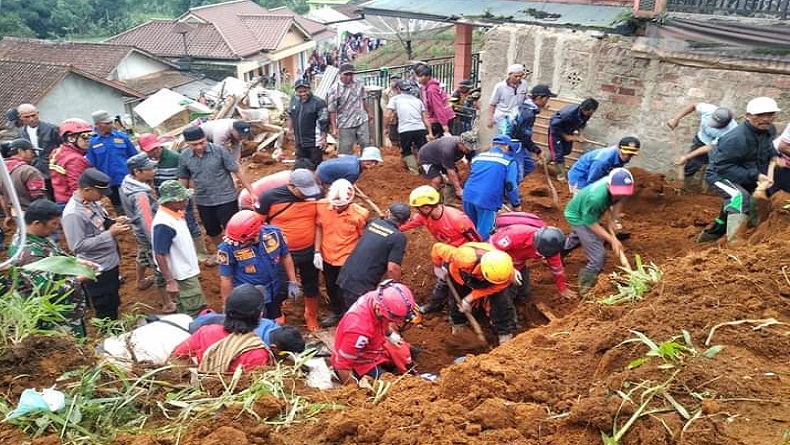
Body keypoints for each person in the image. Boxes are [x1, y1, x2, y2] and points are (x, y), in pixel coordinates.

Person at [698, 97, 779, 245]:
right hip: (719, 174)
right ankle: (735, 242)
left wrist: (774, 156)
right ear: (748, 116)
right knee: (739, 197)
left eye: (770, 115)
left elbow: (768, 147)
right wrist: (756, 175)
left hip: (744, 172)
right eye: (759, 115)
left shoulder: (768, 130)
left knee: (735, 205)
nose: (765, 119)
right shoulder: (736, 138)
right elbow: (723, 167)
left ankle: (710, 235)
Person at [7, 199, 92, 337]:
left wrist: (76, 262)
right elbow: (46, 290)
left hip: (69, 313)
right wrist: (79, 279)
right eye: (54, 223)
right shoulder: (28, 254)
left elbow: (55, 256)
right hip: (56, 321)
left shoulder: (37, 237)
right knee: (71, 353)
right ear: (37, 223)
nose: (57, 227)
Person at [255, 169, 322, 331]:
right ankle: (276, 314)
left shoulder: (317, 195)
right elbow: (257, 224)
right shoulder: (269, 198)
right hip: (281, 253)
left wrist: (318, 251)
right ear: (291, 186)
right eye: (303, 191)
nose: (307, 194)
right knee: (279, 286)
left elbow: (320, 221)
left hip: (309, 250)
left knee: (311, 284)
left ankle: (310, 315)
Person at [62, 169, 131, 321]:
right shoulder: (73, 214)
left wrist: (114, 222)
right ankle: (108, 334)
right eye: (100, 192)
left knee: (112, 298)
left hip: (109, 262)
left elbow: (99, 222)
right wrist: (110, 234)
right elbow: (77, 246)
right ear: (87, 189)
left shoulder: (92, 202)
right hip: (96, 268)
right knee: (104, 306)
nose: (103, 196)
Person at [401, 186, 480, 314]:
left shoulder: (458, 220)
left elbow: (477, 242)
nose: (417, 212)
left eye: (419, 209)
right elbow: (405, 225)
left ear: (427, 207)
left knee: (460, 286)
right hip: (446, 254)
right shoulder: (424, 216)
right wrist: (389, 226)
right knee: (443, 280)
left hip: (465, 257)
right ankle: (435, 304)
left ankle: (463, 314)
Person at [139, 133, 210, 266]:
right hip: (164, 200)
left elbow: (188, 176)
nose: (154, 153)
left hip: (179, 198)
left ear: (159, 145)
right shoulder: (146, 163)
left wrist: (186, 196)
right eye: (149, 151)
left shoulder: (175, 158)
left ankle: (201, 253)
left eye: (155, 149)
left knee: (190, 222)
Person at [217, 210, 301, 322]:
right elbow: (226, 278)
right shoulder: (227, 247)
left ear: (256, 233)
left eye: (243, 242)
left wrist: (293, 282)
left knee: (276, 319)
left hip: (273, 290)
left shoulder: (274, 234)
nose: (240, 244)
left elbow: (285, 256)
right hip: (250, 298)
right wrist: (226, 307)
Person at [178, 125, 254, 246]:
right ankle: (222, 253)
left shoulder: (219, 151)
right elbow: (183, 178)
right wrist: (181, 199)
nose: (199, 147)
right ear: (187, 143)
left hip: (226, 198)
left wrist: (251, 191)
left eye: (201, 142)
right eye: (194, 144)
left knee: (233, 228)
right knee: (212, 231)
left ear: (205, 139)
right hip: (203, 201)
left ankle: (239, 253)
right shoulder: (184, 156)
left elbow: (236, 170)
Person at [563, 168, 634, 295]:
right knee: (598, 256)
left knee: (577, 238)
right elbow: (591, 224)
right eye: (616, 193)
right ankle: (585, 287)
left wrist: (613, 219)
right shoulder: (596, 198)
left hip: (587, 211)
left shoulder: (619, 187)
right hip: (578, 217)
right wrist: (612, 239)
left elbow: (620, 199)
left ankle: (556, 254)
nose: (619, 195)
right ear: (608, 186)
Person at [431, 242, 517, 345]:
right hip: (460, 275)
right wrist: (438, 266)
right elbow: (437, 248)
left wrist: (470, 298)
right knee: (456, 300)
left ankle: (504, 332)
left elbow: (495, 288)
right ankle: (458, 323)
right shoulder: (464, 258)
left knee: (501, 302)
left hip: (485, 276)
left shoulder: (504, 273)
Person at [332, 280, 418, 384]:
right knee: (390, 384)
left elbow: (384, 320)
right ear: (379, 310)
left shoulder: (377, 298)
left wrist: (390, 335)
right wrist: (354, 392)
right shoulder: (357, 331)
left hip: (375, 344)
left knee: (408, 352)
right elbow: (342, 366)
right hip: (362, 362)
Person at [171, 284, 270, 373]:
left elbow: (178, 356)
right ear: (260, 315)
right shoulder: (256, 353)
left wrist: (197, 373)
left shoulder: (205, 332)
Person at [314, 179, 370, 327]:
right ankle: (337, 312)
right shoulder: (322, 206)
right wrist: (317, 251)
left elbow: (361, 237)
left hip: (347, 258)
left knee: (346, 289)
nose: (337, 208)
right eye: (335, 204)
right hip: (327, 256)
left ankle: (350, 314)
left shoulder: (360, 214)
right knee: (331, 286)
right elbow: (319, 227)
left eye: (341, 205)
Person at [490, 212, 576, 305]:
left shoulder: (552, 247)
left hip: (519, 262)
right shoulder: (516, 234)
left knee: (524, 291)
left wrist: (562, 288)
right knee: (507, 293)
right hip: (499, 260)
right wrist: (510, 269)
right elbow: (491, 249)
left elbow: (557, 269)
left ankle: (522, 304)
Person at [336, 203, 410, 311]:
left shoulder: (373, 223)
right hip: (361, 286)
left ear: (388, 213)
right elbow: (393, 268)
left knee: (348, 313)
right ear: (406, 221)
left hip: (344, 277)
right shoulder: (398, 237)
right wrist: (395, 290)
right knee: (360, 318)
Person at [152, 180, 207, 316]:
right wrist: (170, 281)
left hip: (185, 270)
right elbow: (160, 254)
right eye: (182, 199)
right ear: (170, 202)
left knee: (187, 307)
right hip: (182, 275)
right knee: (195, 307)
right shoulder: (164, 223)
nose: (186, 201)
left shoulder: (175, 213)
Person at [119, 153, 163, 301]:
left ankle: (140, 281)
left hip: (137, 230)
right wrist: (157, 243)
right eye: (149, 169)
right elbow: (147, 221)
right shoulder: (140, 195)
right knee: (158, 265)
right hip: (147, 234)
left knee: (142, 255)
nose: (153, 171)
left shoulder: (126, 184)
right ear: (137, 172)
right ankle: (167, 302)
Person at [666, 102, 738, 191]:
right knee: (692, 164)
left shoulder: (731, 132)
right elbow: (692, 105)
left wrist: (686, 157)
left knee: (714, 169)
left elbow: (710, 147)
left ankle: (710, 190)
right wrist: (676, 119)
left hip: (717, 148)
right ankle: (683, 187)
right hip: (701, 140)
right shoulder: (709, 110)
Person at [462, 134, 521, 240]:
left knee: (471, 228)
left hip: (468, 195)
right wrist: (516, 204)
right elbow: (510, 185)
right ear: (506, 147)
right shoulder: (509, 161)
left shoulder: (477, 158)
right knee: (484, 233)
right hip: (487, 199)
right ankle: (481, 254)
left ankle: (467, 252)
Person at [87, 110, 139, 213]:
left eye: (111, 122)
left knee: (134, 208)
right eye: (107, 123)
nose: (111, 125)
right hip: (108, 185)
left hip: (126, 181)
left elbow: (134, 157)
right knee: (117, 211)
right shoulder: (92, 143)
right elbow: (91, 165)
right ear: (97, 125)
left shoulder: (122, 137)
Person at [189, 310, 306, 354]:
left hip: (212, 317)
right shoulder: (254, 343)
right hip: (198, 329)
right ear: (274, 347)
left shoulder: (269, 323)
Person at [508, 84, 558, 183]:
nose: (547, 101)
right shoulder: (528, 114)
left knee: (529, 165)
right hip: (514, 143)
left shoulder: (526, 106)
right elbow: (523, 136)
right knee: (519, 174)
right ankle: (509, 191)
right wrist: (537, 151)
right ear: (539, 98)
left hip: (518, 142)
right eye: (546, 99)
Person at [384, 80, 432, 175]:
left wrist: (385, 128)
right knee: (422, 149)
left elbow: (387, 115)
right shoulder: (418, 101)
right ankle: (428, 171)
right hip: (420, 129)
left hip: (405, 130)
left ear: (398, 89)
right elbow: (425, 117)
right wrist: (430, 132)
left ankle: (414, 171)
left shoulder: (395, 99)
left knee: (406, 151)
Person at [16, 104, 62, 197]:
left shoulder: (52, 129)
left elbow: (63, 147)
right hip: (34, 172)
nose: (31, 119)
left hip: (53, 171)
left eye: (34, 115)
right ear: (20, 117)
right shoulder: (21, 132)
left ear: (38, 114)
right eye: (27, 117)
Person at [567, 137, 640, 194]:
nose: (627, 156)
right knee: (585, 202)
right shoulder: (602, 161)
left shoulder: (620, 156)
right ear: (618, 147)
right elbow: (592, 181)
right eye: (625, 153)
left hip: (598, 174)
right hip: (581, 178)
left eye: (631, 154)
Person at [417, 132, 476, 203]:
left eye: (470, 148)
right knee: (437, 180)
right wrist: (459, 189)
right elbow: (450, 171)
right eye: (467, 148)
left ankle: (448, 201)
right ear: (460, 143)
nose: (469, 150)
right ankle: (435, 201)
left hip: (442, 158)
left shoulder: (469, 149)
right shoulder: (448, 149)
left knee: (456, 178)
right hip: (427, 158)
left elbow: (471, 165)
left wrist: (469, 180)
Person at [549, 98, 599, 182]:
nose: (591, 113)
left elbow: (582, 124)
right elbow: (553, 125)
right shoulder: (568, 114)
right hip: (556, 132)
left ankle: (543, 161)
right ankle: (561, 177)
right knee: (558, 155)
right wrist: (566, 136)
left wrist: (581, 134)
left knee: (566, 151)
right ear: (584, 109)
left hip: (568, 130)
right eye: (591, 111)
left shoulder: (587, 114)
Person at [328, 63, 371, 155]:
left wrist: (369, 113)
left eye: (351, 74)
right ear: (340, 74)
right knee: (345, 148)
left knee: (366, 144)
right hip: (345, 123)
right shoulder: (334, 89)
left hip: (361, 118)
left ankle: (367, 165)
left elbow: (363, 98)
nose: (349, 77)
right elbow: (332, 110)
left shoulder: (358, 83)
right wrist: (334, 128)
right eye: (346, 74)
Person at [50, 118, 93, 206]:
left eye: (91, 135)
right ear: (71, 138)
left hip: (61, 200)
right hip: (74, 203)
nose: (89, 140)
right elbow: (78, 188)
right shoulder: (75, 159)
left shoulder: (57, 152)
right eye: (85, 136)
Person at [287, 79, 329, 166]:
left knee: (315, 166)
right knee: (300, 165)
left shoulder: (318, 103)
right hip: (300, 142)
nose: (303, 94)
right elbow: (291, 115)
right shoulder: (294, 101)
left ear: (309, 90)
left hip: (314, 142)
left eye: (305, 91)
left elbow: (324, 121)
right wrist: (290, 129)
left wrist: (324, 138)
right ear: (296, 92)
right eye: (300, 92)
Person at [1, 138, 47, 210]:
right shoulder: (30, 171)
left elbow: (2, 198)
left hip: (12, 215)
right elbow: (39, 199)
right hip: (30, 214)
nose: (34, 154)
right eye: (31, 151)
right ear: (20, 151)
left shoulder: (2, 171)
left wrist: (8, 216)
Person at [414, 64, 455, 138]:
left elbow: (438, 108)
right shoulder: (426, 87)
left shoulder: (432, 90)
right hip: (438, 117)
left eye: (419, 76)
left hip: (440, 119)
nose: (417, 79)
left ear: (426, 76)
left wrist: (444, 125)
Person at [314, 146, 383, 188]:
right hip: (322, 175)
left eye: (375, 162)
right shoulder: (354, 172)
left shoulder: (355, 158)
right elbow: (344, 186)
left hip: (323, 166)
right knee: (335, 196)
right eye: (370, 160)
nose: (373, 164)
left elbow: (340, 156)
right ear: (364, 158)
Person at [487, 64, 529, 130]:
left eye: (520, 76)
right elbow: (492, 104)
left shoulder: (524, 84)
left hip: (517, 117)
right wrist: (490, 118)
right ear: (509, 75)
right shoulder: (500, 87)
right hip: (503, 117)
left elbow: (526, 99)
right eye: (516, 76)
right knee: (505, 136)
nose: (518, 78)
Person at [380, 74, 401, 147]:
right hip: (392, 117)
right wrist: (390, 114)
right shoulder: (386, 92)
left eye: (396, 80)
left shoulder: (403, 91)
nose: (394, 82)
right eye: (393, 80)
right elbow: (384, 105)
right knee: (393, 135)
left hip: (402, 117)